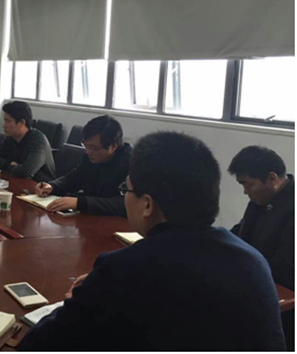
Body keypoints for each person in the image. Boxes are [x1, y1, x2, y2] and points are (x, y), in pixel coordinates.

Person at [18, 131, 286, 351]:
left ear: (147, 205)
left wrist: (82, 296)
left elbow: (37, 345)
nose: (125, 196)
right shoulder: (253, 261)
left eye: (126, 189)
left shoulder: (120, 271)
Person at [35, 115, 131, 216]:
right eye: (85, 145)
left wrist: (80, 203)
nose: (88, 152)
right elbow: (76, 177)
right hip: (90, 216)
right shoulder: (91, 155)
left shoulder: (132, 164)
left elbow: (124, 204)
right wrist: (52, 186)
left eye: (93, 148)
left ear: (113, 146)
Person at [228, 146, 294, 291]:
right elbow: (240, 233)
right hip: (255, 278)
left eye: (248, 185)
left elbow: (285, 268)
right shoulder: (261, 199)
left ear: (272, 179)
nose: (245, 192)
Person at [0, 101, 55, 182]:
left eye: (8, 121)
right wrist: (9, 164)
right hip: (19, 182)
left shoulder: (38, 140)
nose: (4, 125)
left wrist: (9, 167)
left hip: (40, 186)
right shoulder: (11, 138)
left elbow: (27, 172)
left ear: (22, 122)